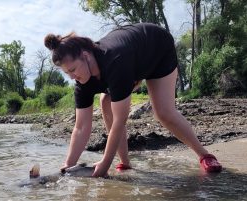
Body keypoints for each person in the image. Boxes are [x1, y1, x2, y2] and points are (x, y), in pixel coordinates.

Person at [44, 23, 222, 177]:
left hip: (156, 47)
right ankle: (125, 162)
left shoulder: (114, 61)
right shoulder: (81, 83)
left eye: (73, 69)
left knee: (163, 112)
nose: (72, 77)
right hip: (131, 60)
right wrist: (68, 165)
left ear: (86, 55)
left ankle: (205, 155)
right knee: (105, 102)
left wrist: (105, 164)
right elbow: (81, 127)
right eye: (68, 73)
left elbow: (120, 121)